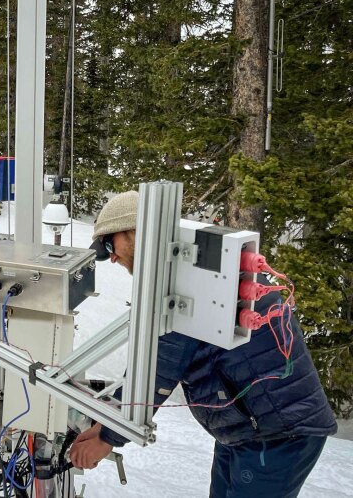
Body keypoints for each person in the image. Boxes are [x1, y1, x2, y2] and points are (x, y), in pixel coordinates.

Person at [69, 190, 337, 498]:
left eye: (108, 245)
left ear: (134, 232)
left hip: (278, 433)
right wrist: (105, 425)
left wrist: (107, 437)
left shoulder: (189, 276)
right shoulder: (178, 268)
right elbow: (152, 362)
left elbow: (157, 369)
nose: (111, 257)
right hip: (246, 428)